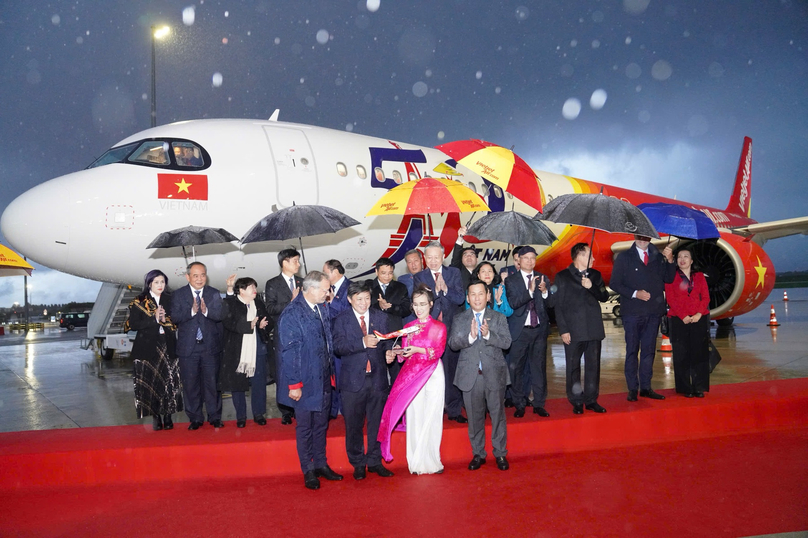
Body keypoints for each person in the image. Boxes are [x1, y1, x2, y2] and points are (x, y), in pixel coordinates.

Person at [277, 271, 343, 490]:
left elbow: (328, 341)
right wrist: (294, 384)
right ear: (312, 289)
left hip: (323, 378)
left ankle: (321, 463)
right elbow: (290, 352)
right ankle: (308, 469)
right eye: (325, 290)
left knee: (321, 425)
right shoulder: (292, 313)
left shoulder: (322, 307)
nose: (328, 294)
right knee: (305, 427)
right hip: (304, 381)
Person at [378, 285, 447, 475]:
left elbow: (437, 352)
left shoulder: (439, 327)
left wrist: (417, 350)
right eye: (415, 304)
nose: (419, 308)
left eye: (423, 304)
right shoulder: (408, 327)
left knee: (432, 417)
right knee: (415, 417)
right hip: (411, 375)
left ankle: (433, 461)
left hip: (432, 374)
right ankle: (416, 462)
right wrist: (396, 353)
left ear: (431, 304)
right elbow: (404, 354)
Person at [332, 281, 395, 480]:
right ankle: (358, 463)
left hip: (377, 380)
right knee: (353, 424)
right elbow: (338, 347)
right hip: (352, 382)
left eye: (367, 298)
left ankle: (375, 461)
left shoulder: (380, 317)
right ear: (350, 300)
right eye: (359, 299)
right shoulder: (341, 320)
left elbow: (386, 344)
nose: (364, 303)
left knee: (377, 423)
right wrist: (361, 342)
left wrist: (389, 354)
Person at [449, 280, 512, 471]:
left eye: (480, 294)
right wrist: (469, 337)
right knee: (475, 418)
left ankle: (500, 454)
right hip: (471, 376)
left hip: (494, 375)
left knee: (497, 416)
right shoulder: (460, 319)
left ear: (488, 296)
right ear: (467, 298)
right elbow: (452, 343)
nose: (477, 298)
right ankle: (478, 454)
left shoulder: (499, 318)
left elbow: (507, 343)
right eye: (473, 295)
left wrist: (487, 335)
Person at [610, 235, 675, 401]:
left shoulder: (659, 257)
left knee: (648, 352)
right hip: (632, 312)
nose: (642, 239)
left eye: (646, 237)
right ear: (634, 237)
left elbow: (669, 278)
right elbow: (614, 283)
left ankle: (646, 387)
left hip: (653, 312)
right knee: (632, 350)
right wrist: (634, 294)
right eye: (639, 236)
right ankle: (632, 388)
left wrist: (670, 261)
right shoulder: (624, 257)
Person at [550, 243, 610, 415]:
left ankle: (591, 400)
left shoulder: (596, 275)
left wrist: (592, 287)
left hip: (593, 329)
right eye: (590, 255)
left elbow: (604, 297)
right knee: (573, 367)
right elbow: (558, 306)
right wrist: (563, 330)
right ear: (579, 256)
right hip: (573, 331)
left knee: (593, 366)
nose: (593, 259)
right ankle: (576, 400)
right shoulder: (563, 276)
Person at [413, 240, 467, 423]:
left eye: (437, 257)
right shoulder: (420, 277)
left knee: (451, 369)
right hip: (430, 332)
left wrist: (446, 289)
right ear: (425, 258)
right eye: (430, 257)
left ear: (443, 257)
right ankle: (432, 410)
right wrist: (435, 293)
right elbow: (419, 302)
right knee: (431, 371)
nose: (434, 261)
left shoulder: (454, 273)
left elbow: (460, 298)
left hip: (451, 329)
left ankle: (453, 409)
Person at [126, 269, 183, 431]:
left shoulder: (171, 299)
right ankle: (156, 416)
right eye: (156, 282)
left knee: (169, 382)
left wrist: (167, 320)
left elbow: (178, 320)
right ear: (149, 283)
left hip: (168, 345)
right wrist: (154, 319)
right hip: (147, 347)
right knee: (151, 383)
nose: (160, 285)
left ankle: (168, 416)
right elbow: (134, 325)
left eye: (163, 282)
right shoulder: (139, 301)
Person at [170, 262, 225, 430]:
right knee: (191, 385)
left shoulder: (214, 293)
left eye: (202, 275)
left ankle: (215, 416)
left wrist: (207, 311)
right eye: (195, 275)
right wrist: (192, 312)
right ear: (188, 277)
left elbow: (221, 315)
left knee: (212, 384)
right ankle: (195, 418)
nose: (200, 279)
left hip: (210, 347)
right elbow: (174, 317)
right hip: (189, 348)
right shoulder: (179, 295)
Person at [504, 246, 552, 418]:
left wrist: (545, 292)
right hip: (520, 331)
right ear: (519, 260)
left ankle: (539, 403)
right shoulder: (511, 280)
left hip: (539, 330)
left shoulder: (543, 277)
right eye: (526, 258)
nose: (530, 261)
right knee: (516, 370)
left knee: (539, 368)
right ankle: (519, 403)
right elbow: (514, 303)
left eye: (533, 258)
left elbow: (550, 304)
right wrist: (530, 291)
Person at [220, 277, 272, 427]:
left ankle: (259, 413)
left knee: (259, 383)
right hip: (237, 350)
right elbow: (229, 322)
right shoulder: (232, 304)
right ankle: (241, 416)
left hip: (258, 349)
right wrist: (249, 325)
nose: (254, 289)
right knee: (238, 385)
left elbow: (269, 321)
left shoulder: (259, 303)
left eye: (255, 286)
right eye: (250, 287)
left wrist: (263, 325)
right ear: (241, 290)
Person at [665, 247, 711, 398]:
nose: (682, 259)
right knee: (681, 355)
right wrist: (683, 315)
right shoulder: (671, 276)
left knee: (699, 354)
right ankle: (685, 387)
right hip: (679, 319)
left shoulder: (699, 276)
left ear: (691, 261)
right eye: (679, 257)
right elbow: (670, 299)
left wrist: (698, 313)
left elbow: (705, 297)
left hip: (699, 318)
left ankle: (699, 387)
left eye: (686, 256)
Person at [265, 248, 303, 425]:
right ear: (284, 263)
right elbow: (270, 309)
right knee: (284, 371)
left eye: (298, 261)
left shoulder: (303, 282)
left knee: (301, 369)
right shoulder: (272, 283)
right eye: (295, 261)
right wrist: (291, 301)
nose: (298, 264)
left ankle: (300, 407)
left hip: (302, 333)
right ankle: (286, 410)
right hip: (283, 334)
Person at [366, 257, 411, 384]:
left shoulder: (400, 287)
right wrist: (379, 306)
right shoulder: (368, 286)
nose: (387, 276)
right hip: (374, 335)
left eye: (390, 273)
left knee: (397, 374)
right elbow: (363, 308)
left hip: (394, 335)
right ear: (376, 272)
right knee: (377, 375)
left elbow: (407, 309)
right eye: (383, 273)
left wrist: (390, 307)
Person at [323, 259, 351, 417]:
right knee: (331, 375)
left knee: (342, 376)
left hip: (345, 339)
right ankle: (332, 410)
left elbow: (349, 312)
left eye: (325, 272)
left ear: (334, 272)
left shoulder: (350, 287)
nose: (324, 275)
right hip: (329, 339)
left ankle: (345, 408)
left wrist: (333, 301)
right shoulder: (325, 288)